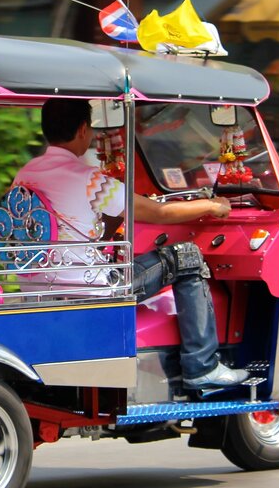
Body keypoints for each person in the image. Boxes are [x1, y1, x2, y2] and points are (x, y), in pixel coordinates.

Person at [13, 99, 248, 390]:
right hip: (94, 293)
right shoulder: (88, 178)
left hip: (40, 290)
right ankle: (203, 366)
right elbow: (159, 213)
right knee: (187, 256)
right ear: (84, 129)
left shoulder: (26, 173)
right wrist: (211, 206)